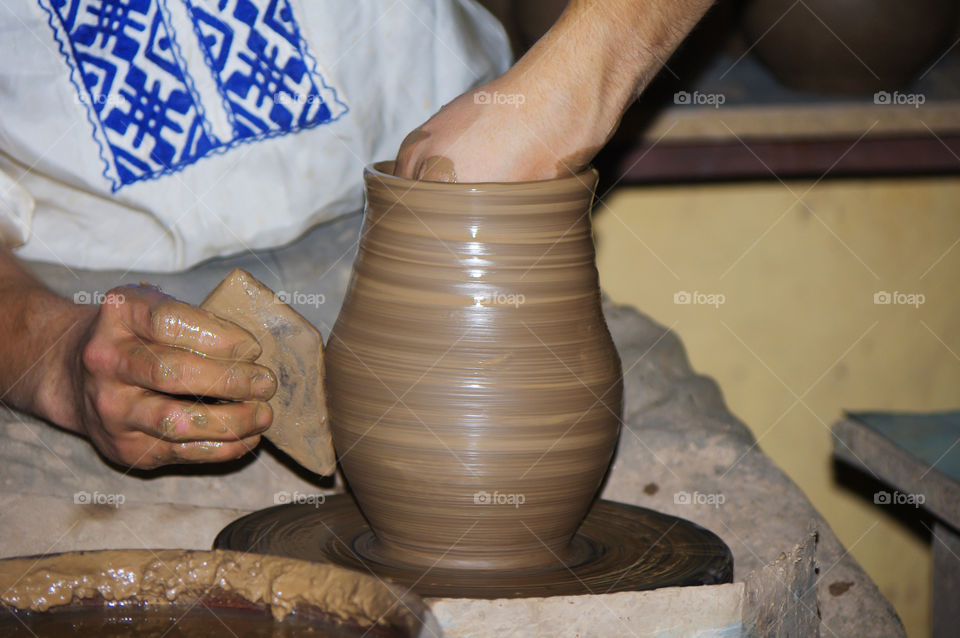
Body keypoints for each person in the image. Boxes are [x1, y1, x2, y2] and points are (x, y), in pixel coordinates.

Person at [0, 0, 712, 471]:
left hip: (449, 224)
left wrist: (569, 87)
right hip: (89, 305)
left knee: (726, 527)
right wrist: (52, 354)